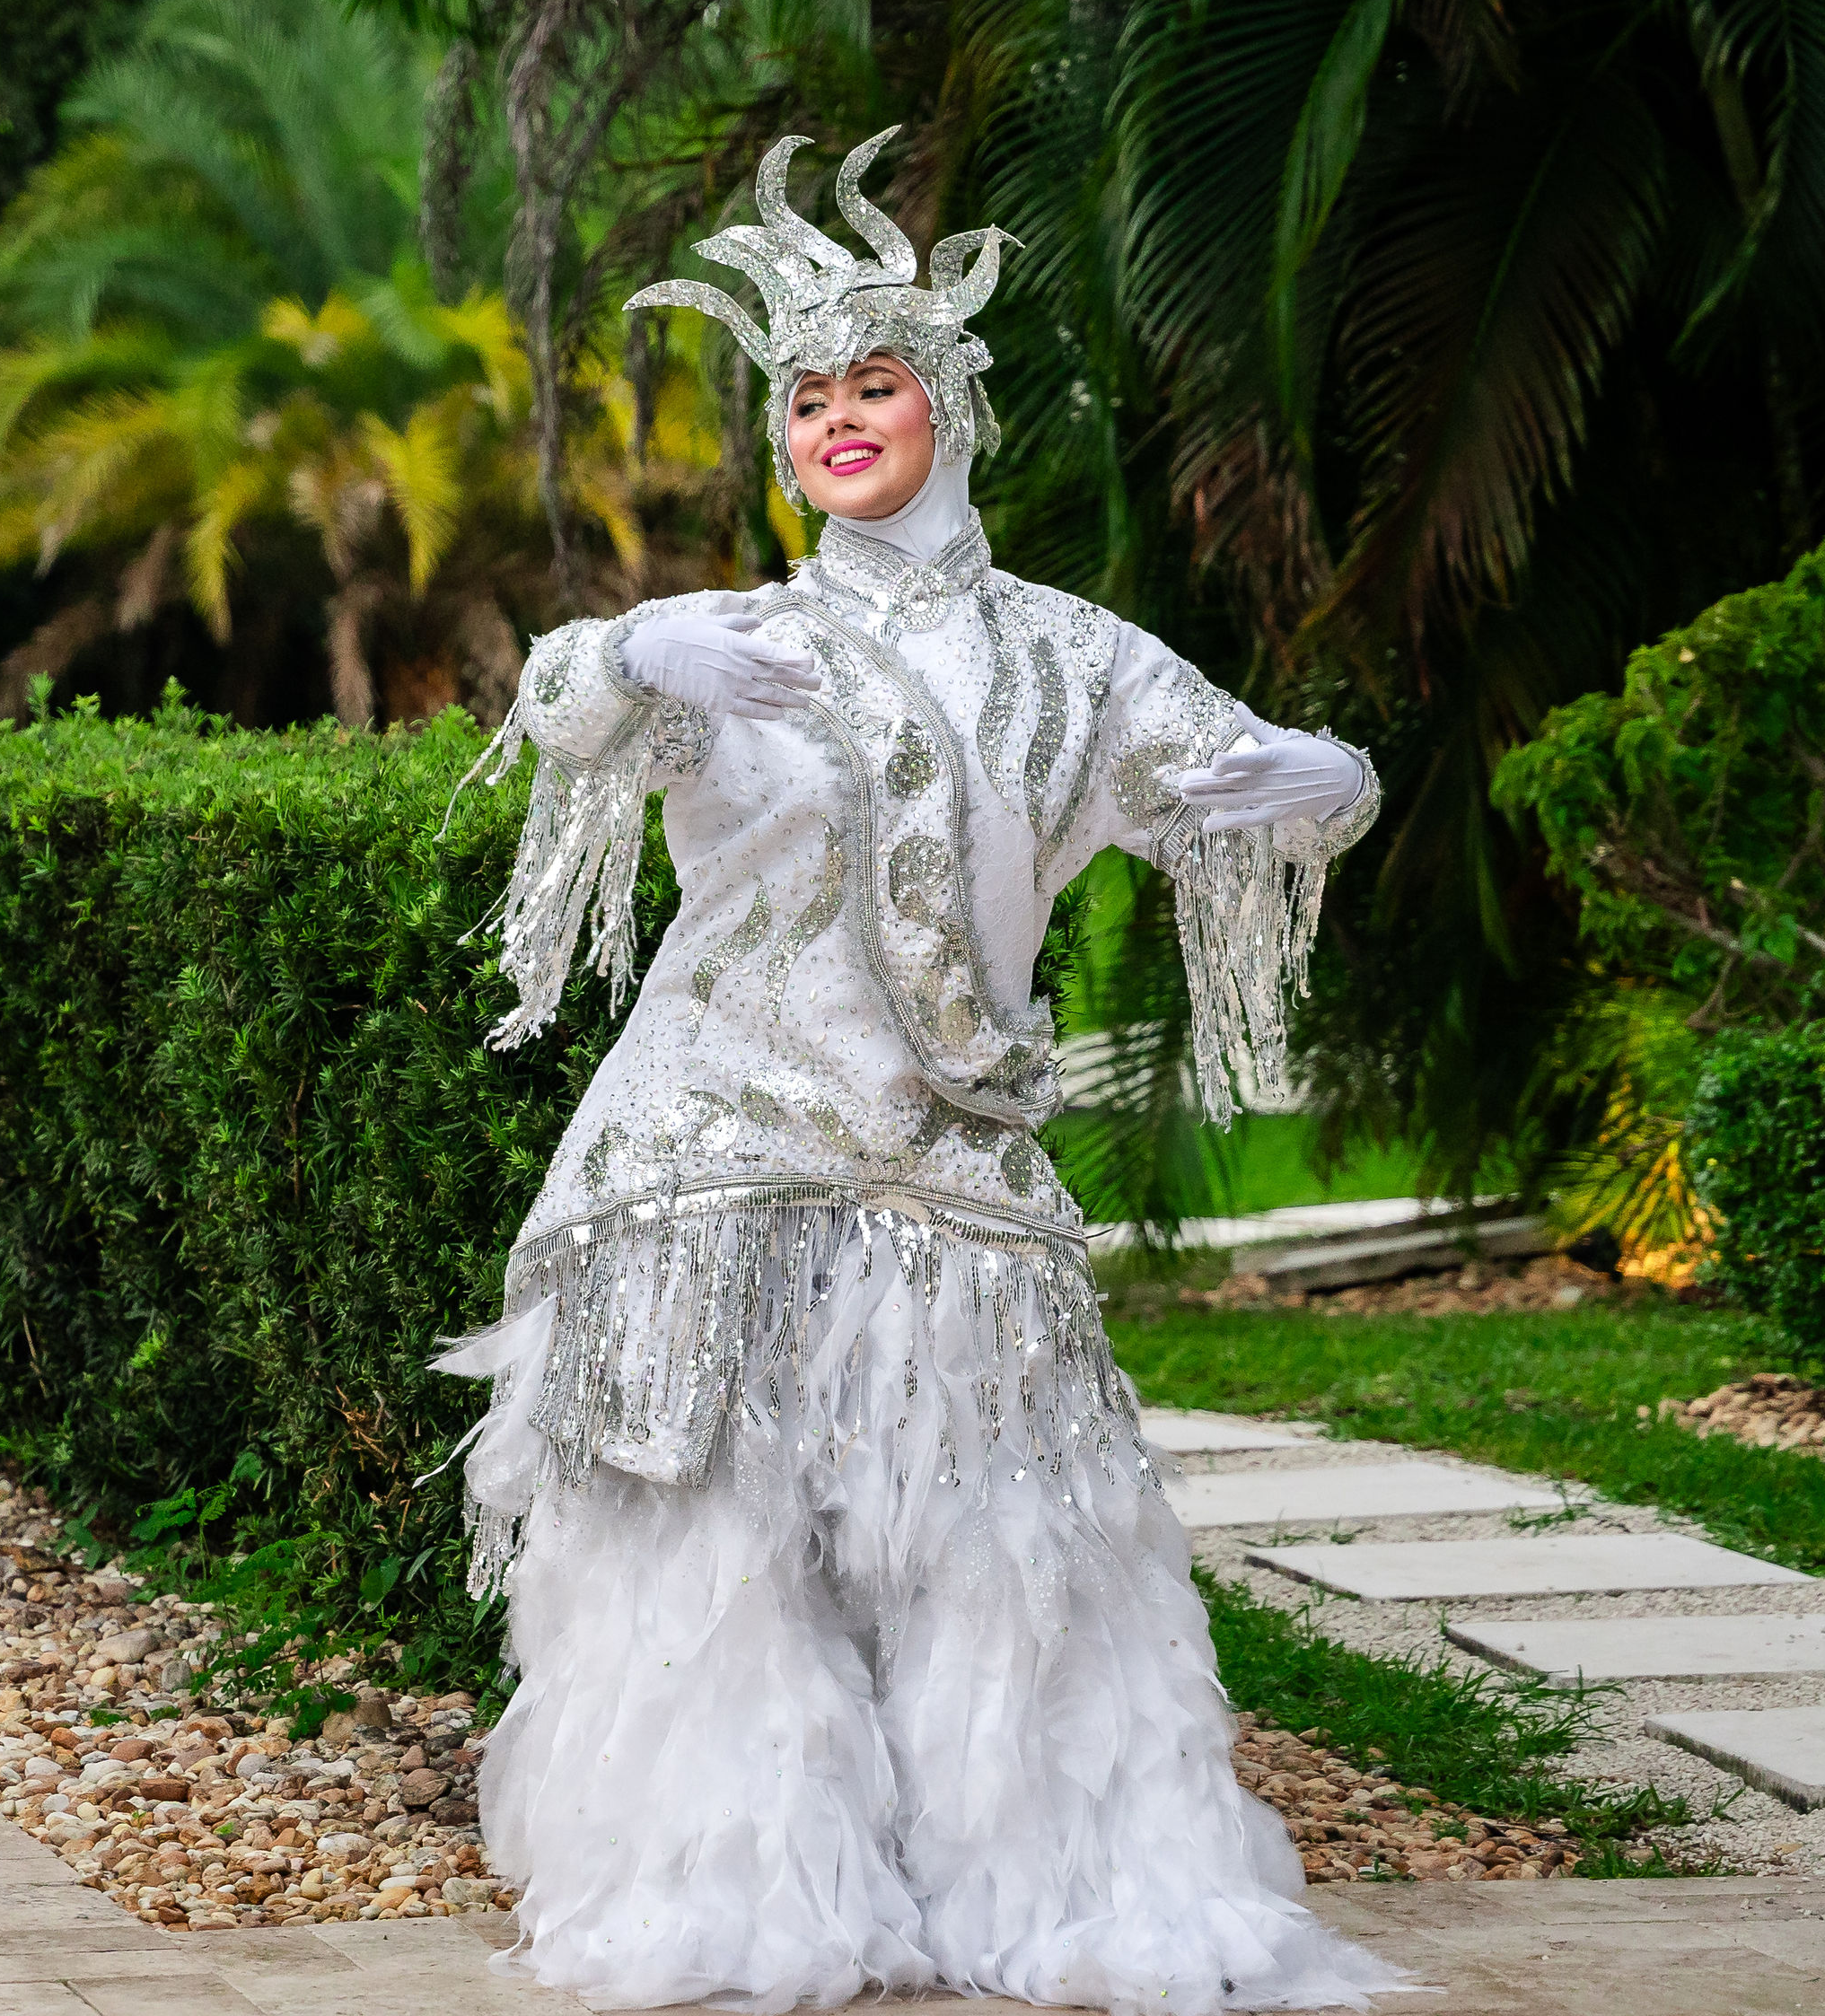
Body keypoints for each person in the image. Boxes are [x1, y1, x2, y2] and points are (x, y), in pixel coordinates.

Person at [441, 130, 1407, 2015]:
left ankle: (1052, 1890)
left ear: (949, 408)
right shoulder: (743, 639)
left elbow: (1238, 768)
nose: (834, 420)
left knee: (1015, 1549)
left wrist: (1333, 786)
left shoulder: (1075, 657)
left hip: (954, 1172)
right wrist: (637, 645)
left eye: (872, 382)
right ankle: (729, 1902)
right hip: (705, 1163)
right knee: (705, 1562)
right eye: (802, 399)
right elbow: (556, 705)